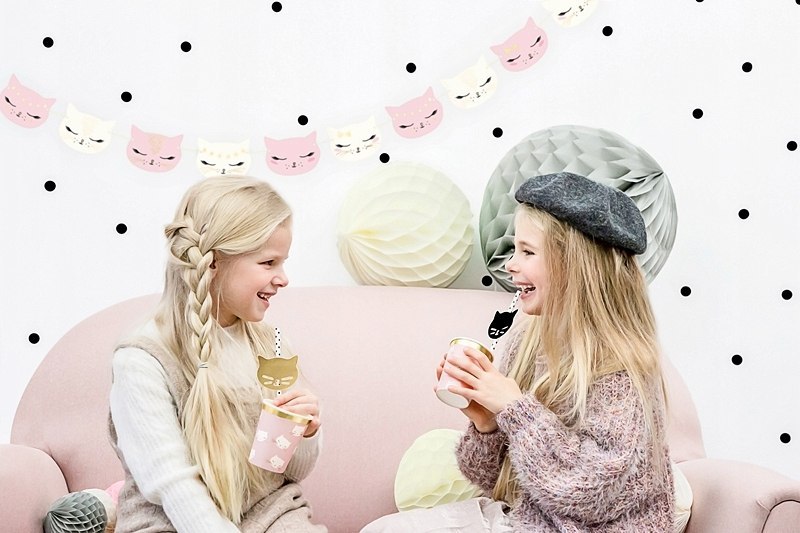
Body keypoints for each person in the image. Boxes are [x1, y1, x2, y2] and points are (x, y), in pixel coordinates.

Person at [362, 171, 673, 532]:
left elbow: (589, 495)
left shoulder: (620, 369)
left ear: (575, 267)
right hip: (526, 519)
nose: (510, 264)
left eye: (527, 252)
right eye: (514, 250)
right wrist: (487, 424)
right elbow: (498, 482)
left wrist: (515, 409)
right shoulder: (528, 340)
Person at [108, 175, 326, 532]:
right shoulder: (142, 359)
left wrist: (304, 434)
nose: (283, 278)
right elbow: (175, 486)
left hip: (268, 516)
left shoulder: (270, 344)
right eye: (269, 263)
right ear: (213, 263)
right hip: (171, 522)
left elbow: (286, 471)